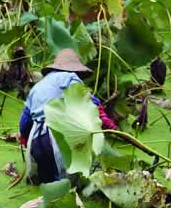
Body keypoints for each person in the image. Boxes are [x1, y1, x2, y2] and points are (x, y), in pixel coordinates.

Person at [19, 49, 118, 184]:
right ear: (75, 70)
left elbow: (24, 122)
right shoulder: (70, 78)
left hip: (35, 139)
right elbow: (86, 101)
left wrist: (25, 140)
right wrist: (109, 124)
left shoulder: (37, 87)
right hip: (56, 135)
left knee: (42, 182)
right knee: (66, 186)